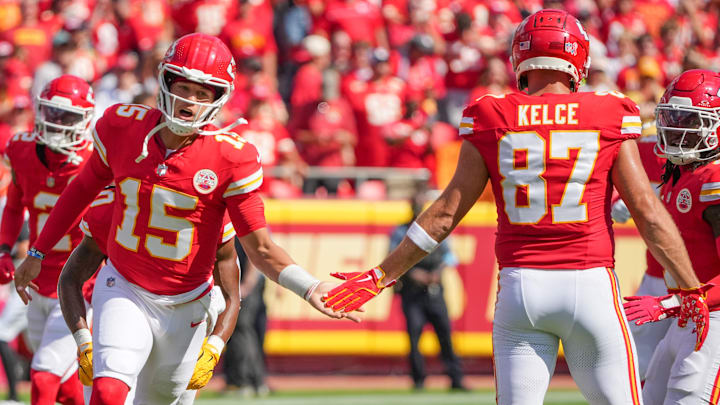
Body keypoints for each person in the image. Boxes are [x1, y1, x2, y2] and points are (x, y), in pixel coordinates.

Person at [323, 9, 708, 404]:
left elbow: (443, 216)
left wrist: (379, 275)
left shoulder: (490, 113)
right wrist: (689, 287)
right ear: (578, 58)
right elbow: (645, 209)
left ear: (520, 58)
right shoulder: (608, 110)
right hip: (590, 283)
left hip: (521, 290)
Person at [12, 33, 359, 405]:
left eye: (202, 93)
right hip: (125, 285)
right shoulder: (121, 127)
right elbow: (79, 192)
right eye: (183, 87)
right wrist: (38, 253)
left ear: (218, 99)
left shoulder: (232, 157)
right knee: (108, 391)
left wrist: (309, 287)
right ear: (164, 81)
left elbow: (259, 247)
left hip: (187, 302)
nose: (188, 102)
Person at [56, 186, 240, 403]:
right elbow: (70, 278)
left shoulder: (209, 207)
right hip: (126, 295)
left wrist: (213, 348)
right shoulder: (112, 207)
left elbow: (230, 296)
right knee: (108, 391)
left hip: (188, 307)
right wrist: (84, 341)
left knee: (169, 396)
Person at [622, 69, 720, 404]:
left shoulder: (715, 179)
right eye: (675, 117)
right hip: (688, 315)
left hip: (712, 319)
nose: (678, 128)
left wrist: (668, 302)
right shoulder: (682, 173)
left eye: (691, 121)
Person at [0, 74, 94, 405]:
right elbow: (13, 205)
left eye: (68, 116)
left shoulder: (94, 163)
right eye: (52, 113)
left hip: (78, 286)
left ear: (85, 119)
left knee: (43, 375)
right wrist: (3, 250)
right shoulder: (22, 149)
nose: (58, 123)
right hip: (35, 284)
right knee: (67, 387)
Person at [390, 193, 465, 391]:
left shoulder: (435, 228)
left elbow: (449, 257)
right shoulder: (400, 231)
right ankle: (418, 380)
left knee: (445, 335)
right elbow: (394, 260)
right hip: (412, 293)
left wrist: (435, 274)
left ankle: (455, 378)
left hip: (434, 291)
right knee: (414, 337)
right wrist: (418, 275)